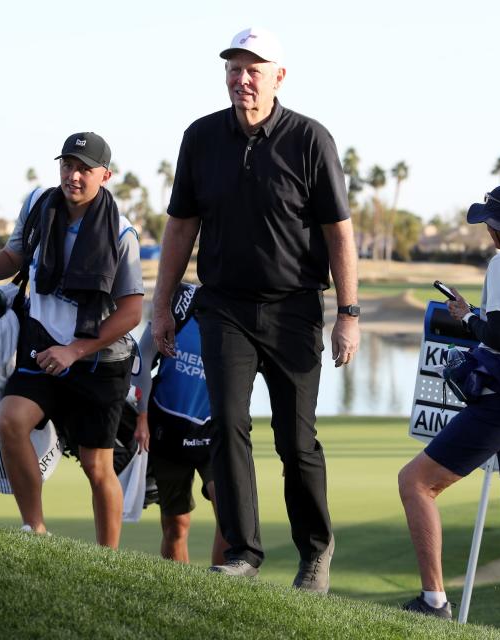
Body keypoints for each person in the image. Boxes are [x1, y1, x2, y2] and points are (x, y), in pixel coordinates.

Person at [153, 27, 360, 593]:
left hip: (294, 308)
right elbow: (181, 227)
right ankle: (243, 550)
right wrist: (163, 306)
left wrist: (349, 312)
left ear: (278, 77)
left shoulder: (310, 139)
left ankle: (315, 551)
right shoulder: (201, 137)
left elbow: (338, 233)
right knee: (227, 425)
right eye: (234, 68)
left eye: (254, 69)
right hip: (223, 307)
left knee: (296, 441)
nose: (242, 79)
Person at [0, 132, 143, 546]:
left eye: (85, 168)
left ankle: (108, 560)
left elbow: (132, 312)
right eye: (68, 165)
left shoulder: (122, 234)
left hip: (99, 361)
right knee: (11, 421)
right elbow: (14, 256)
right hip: (42, 348)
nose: (74, 175)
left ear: (105, 175)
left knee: (95, 465)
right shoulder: (38, 205)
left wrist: (75, 350)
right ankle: (35, 530)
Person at [398, 183, 500, 635]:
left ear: (498, 228)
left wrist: (470, 319)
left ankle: (434, 600)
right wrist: (475, 314)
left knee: (415, 484)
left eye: (488, 223)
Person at [132, 282, 229, 565]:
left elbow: (275, 379)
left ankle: (221, 595)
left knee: (229, 517)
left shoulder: (243, 313)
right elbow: (142, 359)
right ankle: (180, 593)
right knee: (176, 527)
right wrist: (141, 415)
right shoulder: (180, 302)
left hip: (216, 432)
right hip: (167, 431)